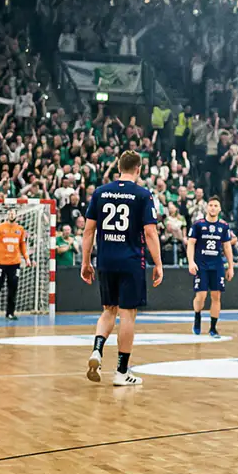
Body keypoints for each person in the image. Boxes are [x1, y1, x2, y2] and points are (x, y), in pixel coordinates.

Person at [80, 150, 163, 386]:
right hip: (131, 261)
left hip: (106, 260)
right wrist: (158, 263)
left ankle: (97, 350)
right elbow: (150, 232)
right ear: (138, 169)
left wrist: (86, 262)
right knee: (127, 314)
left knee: (108, 310)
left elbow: (88, 231)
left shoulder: (100, 192)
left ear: (118, 167)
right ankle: (121, 372)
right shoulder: (142, 195)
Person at [186, 198, 236, 337]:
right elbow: (191, 243)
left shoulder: (224, 226)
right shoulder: (198, 225)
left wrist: (231, 267)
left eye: (216, 205)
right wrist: (191, 262)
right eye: (211, 205)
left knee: (216, 296)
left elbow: (227, 247)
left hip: (217, 265)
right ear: (207, 207)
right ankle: (197, 317)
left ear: (220, 209)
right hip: (201, 265)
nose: (213, 208)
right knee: (201, 296)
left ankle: (213, 328)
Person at [0, 210, 29, 321]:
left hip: (14, 264)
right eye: (9, 213)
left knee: (13, 289)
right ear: (7, 215)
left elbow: (23, 245)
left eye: (13, 213)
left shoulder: (20, 229)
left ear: (16, 215)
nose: (11, 215)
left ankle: (10, 313)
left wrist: (27, 258)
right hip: (0, 263)